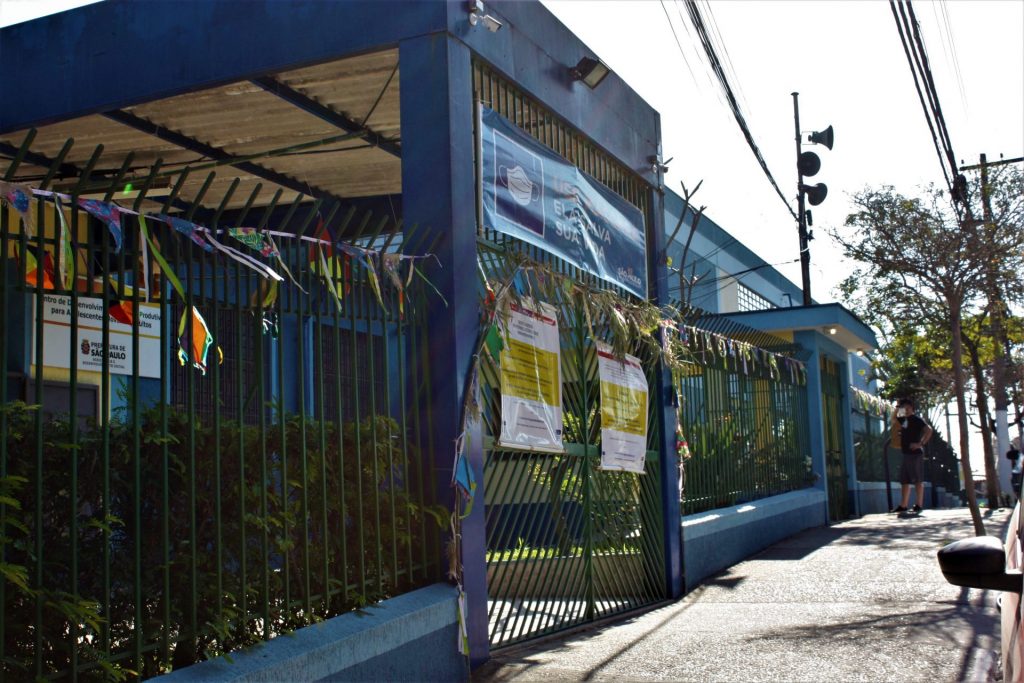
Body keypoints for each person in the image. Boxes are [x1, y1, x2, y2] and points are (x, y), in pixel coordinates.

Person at [892, 398, 932, 513]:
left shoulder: (916, 420)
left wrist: (920, 444)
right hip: (906, 453)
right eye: (904, 408)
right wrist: (899, 405)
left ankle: (919, 504)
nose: (906, 410)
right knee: (904, 480)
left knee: (917, 479)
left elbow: (929, 430)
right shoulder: (903, 420)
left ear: (912, 409)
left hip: (915, 454)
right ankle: (903, 505)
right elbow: (896, 416)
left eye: (908, 408)